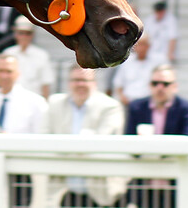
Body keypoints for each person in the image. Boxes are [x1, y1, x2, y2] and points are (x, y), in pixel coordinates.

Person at [41, 66, 128, 207]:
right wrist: (83, 144)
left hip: (100, 192)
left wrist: (64, 147)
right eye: (76, 80)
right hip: (66, 191)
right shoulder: (55, 104)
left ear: (95, 83)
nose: (80, 84)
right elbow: (44, 141)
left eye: (84, 80)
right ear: (69, 83)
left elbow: (102, 145)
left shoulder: (111, 107)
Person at [0, 54, 47, 207]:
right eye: (0, 71)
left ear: (18, 73)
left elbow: (41, 138)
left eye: (8, 71)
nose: (4, 76)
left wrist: (12, 141)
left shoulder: (35, 103)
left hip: (20, 170)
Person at [124, 64, 188, 207]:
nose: (160, 88)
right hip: (143, 183)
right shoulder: (136, 107)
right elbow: (128, 140)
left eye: (165, 84)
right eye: (155, 83)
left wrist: (151, 148)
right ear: (149, 85)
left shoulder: (187, 109)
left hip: (176, 183)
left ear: (175, 86)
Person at [3, 16, 55, 98]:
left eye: (27, 33)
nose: (24, 36)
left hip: (34, 101)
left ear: (32, 35)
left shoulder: (42, 55)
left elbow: (46, 83)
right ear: (15, 34)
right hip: (12, 99)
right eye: (21, 33)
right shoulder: (8, 53)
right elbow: (3, 79)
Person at [112, 35, 163, 105]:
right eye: (139, 45)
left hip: (148, 103)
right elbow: (118, 84)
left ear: (149, 46)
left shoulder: (157, 62)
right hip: (129, 101)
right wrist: (123, 98)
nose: (141, 48)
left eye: (144, 45)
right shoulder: (126, 62)